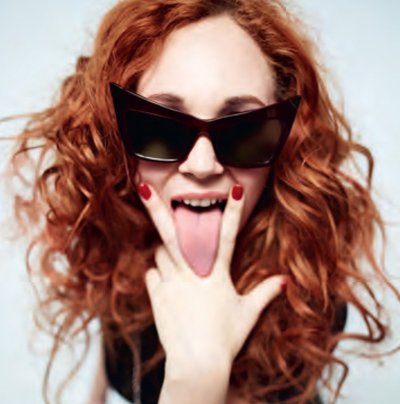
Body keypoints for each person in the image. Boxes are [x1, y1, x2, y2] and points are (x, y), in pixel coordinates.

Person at [5, 0, 399, 403]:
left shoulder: (308, 300)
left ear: (285, 141)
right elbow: (111, 363)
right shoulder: (113, 248)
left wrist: (200, 375)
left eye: (244, 130)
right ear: (114, 134)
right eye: (159, 128)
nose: (202, 164)